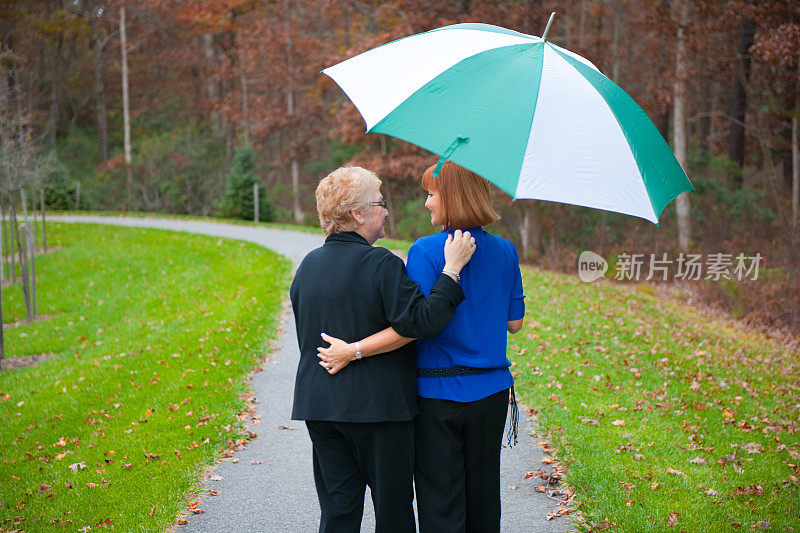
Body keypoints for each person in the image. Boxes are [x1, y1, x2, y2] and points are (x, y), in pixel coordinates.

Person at [318, 161, 525, 533]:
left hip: (436, 395)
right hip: (491, 393)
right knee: (483, 498)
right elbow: (514, 323)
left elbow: (413, 325)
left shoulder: (426, 251)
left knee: (440, 501)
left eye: (432, 194)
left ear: (452, 197)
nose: (427, 203)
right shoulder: (506, 251)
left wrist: (354, 350)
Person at [290, 166, 476, 533]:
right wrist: (451, 270)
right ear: (358, 214)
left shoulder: (307, 267)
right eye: (380, 203)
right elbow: (421, 322)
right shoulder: (382, 264)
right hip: (379, 411)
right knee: (393, 515)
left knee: (338, 513)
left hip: (322, 408)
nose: (386, 211)